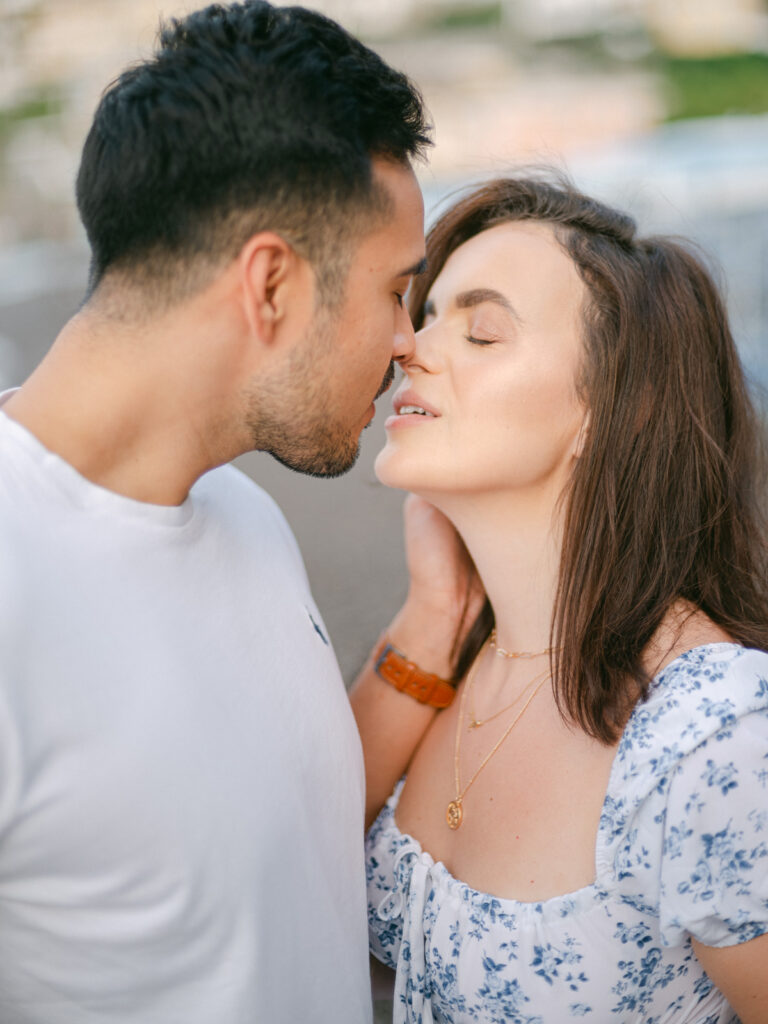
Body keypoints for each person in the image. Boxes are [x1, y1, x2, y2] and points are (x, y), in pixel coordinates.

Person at [0, 2, 436, 1020]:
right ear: (272, 283)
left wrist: (438, 623)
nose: (411, 341)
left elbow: (278, 844)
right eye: (395, 292)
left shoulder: (241, 515)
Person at [350, 176, 768, 1022]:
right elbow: (287, 843)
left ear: (604, 408)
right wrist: (431, 620)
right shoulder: (453, 662)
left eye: (482, 331)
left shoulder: (710, 733)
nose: (411, 347)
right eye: (426, 316)